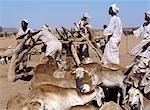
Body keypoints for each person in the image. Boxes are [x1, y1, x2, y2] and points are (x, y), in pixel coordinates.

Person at [102, 4, 123, 69]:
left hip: (113, 40)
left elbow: (110, 30)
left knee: (111, 56)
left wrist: (105, 29)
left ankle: (114, 69)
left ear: (112, 10)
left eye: (109, 9)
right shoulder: (118, 19)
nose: (108, 10)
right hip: (117, 39)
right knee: (114, 54)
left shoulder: (113, 19)